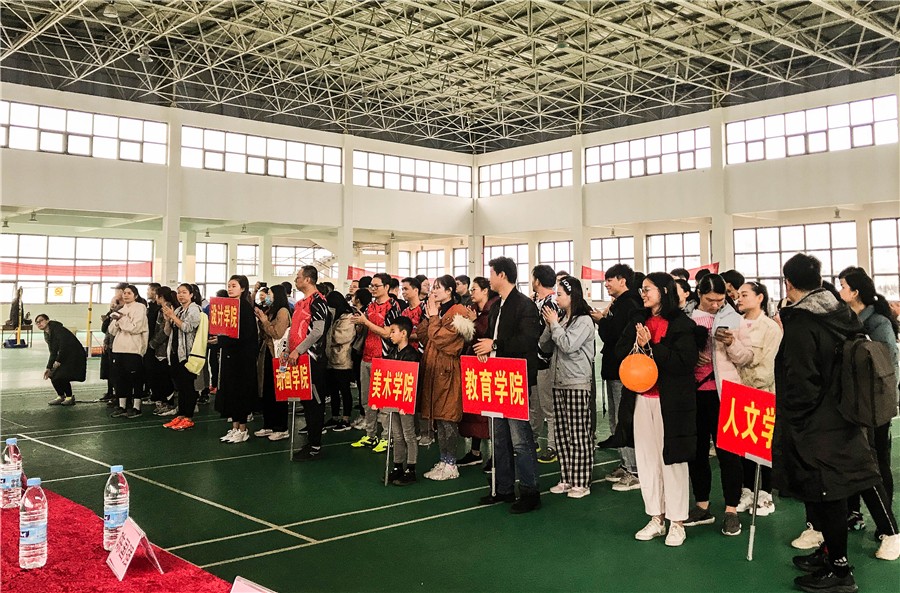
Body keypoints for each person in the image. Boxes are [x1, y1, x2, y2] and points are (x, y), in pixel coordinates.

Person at [776, 253, 883, 592]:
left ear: (788, 283)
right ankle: (829, 554)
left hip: (815, 422)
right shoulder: (840, 313)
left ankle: (839, 570)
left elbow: (801, 380)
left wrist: (794, 419)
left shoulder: (802, 322)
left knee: (827, 494)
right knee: (831, 491)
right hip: (845, 413)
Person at [616, 272, 699, 547]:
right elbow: (619, 352)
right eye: (642, 289)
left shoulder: (682, 324)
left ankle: (677, 522)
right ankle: (656, 517)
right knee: (647, 460)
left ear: (664, 291)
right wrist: (637, 345)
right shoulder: (637, 320)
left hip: (671, 403)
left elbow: (683, 362)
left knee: (672, 461)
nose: (643, 294)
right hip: (642, 399)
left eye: (648, 289)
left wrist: (651, 345)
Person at [837, 267, 899, 560]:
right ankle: (853, 512)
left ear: (855, 292)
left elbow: (888, 367)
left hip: (875, 404)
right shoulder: (846, 320)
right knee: (854, 458)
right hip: (853, 403)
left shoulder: (877, 323)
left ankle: (887, 525)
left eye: (843, 286)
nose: (840, 291)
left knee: (877, 461)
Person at [473, 256, 543, 514]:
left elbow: (528, 341)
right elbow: (492, 338)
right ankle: (503, 488)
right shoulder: (496, 306)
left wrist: (494, 345)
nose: (489, 278)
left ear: (502, 275)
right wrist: (485, 350)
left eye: (491, 273)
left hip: (515, 380)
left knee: (520, 439)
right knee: (499, 438)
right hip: (497, 377)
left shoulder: (524, 305)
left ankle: (530, 491)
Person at [684, 273, 748, 537]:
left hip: (727, 395)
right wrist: (692, 356)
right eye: (710, 299)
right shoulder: (686, 318)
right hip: (695, 395)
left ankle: (732, 510)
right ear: (699, 294)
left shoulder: (735, 319)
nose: (715, 305)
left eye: (720, 300)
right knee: (697, 452)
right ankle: (702, 505)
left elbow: (747, 358)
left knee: (730, 454)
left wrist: (732, 344)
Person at [540, 276, 596, 499]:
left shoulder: (584, 321)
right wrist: (549, 325)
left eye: (560, 294)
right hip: (558, 381)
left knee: (579, 433)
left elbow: (568, 345)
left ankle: (581, 482)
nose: (556, 298)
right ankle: (566, 478)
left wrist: (554, 324)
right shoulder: (562, 319)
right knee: (562, 434)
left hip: (577, 382)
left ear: (572, 296)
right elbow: (544, 345)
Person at [732, 281, 782, 518]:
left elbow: (769, 365)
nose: (739, 299)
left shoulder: (770, 328)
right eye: (738, 295)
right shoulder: (735, 324)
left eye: (745, 295)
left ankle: (765, 494)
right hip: (737, 391)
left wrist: (750, 381)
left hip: (761, 391)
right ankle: (747, 491)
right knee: (742, 448)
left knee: (763, 448)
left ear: (760, 297)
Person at [418, 275, 475, 481]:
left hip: (448, 371)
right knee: (439, 419)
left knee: (448, 418)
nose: (433, 291)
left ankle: (451, 464)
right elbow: (424, 336)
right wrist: (429, 316)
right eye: (433, 287)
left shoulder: (458, 312)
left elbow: (442, 340)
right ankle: (443, 460)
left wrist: (434, 318)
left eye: (438, 287)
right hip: (435, 369)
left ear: (450, 291)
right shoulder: (439, 311)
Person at [593, 263, 643, 492]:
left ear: (623, 281)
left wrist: (602, 321)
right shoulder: (619, 303)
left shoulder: (630, 304)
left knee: (625, 420)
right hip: (614, 368)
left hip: (624, 369)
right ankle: (626, 464)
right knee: (615, 419)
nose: (606, 284)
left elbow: (616, 334)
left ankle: (635, 470)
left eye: (610, 280)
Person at [351, 273, 401, 452]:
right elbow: (363, 329)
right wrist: (358, 324)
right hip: (366, 357)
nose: (372, 289)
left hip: (384, 358)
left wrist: (366, 322)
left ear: (386, 287)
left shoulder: (393, 307)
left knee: (384, 402)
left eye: (376, 286)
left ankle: (387, 437)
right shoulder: (370, 306)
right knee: (367, 400)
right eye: (371, 286)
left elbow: (388, 333)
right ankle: (370, 435)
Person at [287, 266, 332, 460]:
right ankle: (311, 441)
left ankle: (314, 446)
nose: (295, 280)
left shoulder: (318, 301)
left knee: (314, 403)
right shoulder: (300, 303)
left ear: (307, 279)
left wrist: (298, 350)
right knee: (305, 401)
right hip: (299, 359)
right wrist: (288, 350)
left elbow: (317, 332)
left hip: (312, 360)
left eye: (298, 277)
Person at [457, 277, 499, 471]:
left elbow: (489, 335)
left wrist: (474, 322)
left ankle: (496, 456)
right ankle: (475, 452)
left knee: (490, 413)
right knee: (474, 409)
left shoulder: (494, 310)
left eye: (474, 289)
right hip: (473, 366)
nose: (471, 293)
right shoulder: (474, 311)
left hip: (490, 367)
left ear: (485, 291)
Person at [217, 275, 259, 444]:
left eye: (234, 285)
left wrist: (223, 340)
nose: (230, 288)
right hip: (230, 356)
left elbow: (244, 335)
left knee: (241, 393)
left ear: (242, 289)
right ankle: (234, 427)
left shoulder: (245, 308)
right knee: (231, 392)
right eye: (229, 285)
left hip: (242, 359)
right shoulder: (228, 307)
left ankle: (243, 429)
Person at [385, 316, 422, 486]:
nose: (390, 335)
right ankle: (398, 465)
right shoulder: (393, 353)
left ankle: (411, 469)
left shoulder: (412, 355)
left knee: (409, 435)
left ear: (404, 333)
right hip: (393, 398)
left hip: (406, 401)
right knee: (397, 435)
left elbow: (413, 381)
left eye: (393, 331)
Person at [160, 283, 203, 430]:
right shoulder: (178, 310)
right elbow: (167, 332)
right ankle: (181, 415)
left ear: (191, 295)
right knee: (180, 386)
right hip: (175, 353)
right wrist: (168, 319)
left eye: (184, 292)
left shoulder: (195, 309)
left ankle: (188, 417)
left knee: (188, 386)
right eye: (179, 292)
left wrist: (172, 316)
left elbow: (187, 327)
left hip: (188, 354)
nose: (181, 295)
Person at [254, 284, 292, 441]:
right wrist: (261, 319)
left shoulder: (283, 312)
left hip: (278, 355)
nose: (267, 297)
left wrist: (264, 321)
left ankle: (281, 427)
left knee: (278, 392)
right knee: (268, 390)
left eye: (269, 294)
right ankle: (268, 424)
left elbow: (277, 334)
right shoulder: (271, 311)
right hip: (267, 353)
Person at [532, 264, 561, 463]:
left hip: (545, 362)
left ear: (537, 281)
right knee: (535, 404)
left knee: (548, 407)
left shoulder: (550, 304)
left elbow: (549, 334)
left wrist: (542, 350)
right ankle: (532, 439)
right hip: (536, 361)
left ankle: (553, 445)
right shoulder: (540, 302)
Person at [108, 285, 149, 418]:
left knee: (135, 379)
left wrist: (121, 319)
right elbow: (111, 331)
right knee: (120, 378)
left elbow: (135, 328)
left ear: (135, 296)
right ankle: (122, 406)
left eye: (129, 293)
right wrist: (116, 321)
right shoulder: (121, 310)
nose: (126, 295)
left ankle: (136, 407)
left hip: (133, 349)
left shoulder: (140, 308)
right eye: (124, 293)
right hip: (118, 348)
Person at [36, 314, 86, 406]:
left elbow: (64, 346)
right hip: (64, 355)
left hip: (74, 355)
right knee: (52, 374)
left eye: (41, 320)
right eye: (37, 323)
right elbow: (53, 351)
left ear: (47, 320)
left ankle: (69, 397)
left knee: (62, 375)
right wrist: (48, 367)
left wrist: (58, 361)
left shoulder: (58, 330)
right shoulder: (47, 334)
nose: (39, 323)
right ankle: (61, 396)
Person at [325, 290, 355, 432]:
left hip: (343, 360)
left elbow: (341, 337)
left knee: (344, 390)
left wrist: (327, 335)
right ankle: (335, 416)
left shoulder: (349, 318)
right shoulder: (333, 317)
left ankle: (346, 418)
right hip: (331, 359)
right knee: (333, 390)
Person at [149, 287, 177, 416]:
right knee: (163, 377)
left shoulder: (166, 309)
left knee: (165, 378)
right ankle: (166, 402)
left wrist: (153, 343)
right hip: (162, 350)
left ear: (160, 297)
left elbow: (164, 331)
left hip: (164, 349)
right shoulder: (162, 309)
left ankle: (169, 403)